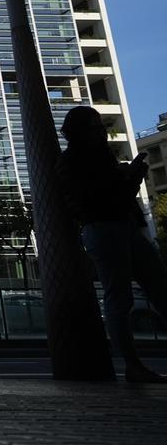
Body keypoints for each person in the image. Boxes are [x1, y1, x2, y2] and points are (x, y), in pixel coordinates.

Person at [59, 105, 167, 383]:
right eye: (96, 127)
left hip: (120, 226)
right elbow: (98, 200)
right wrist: (129, 178)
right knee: (121, 298)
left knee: (152, 289)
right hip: (105, 228)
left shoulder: (96, 159)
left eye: (102, 127)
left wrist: (129, 178)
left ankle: (134, 366)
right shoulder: (76, 163)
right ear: (81, 132)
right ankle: (132, 365)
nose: (103, 133)